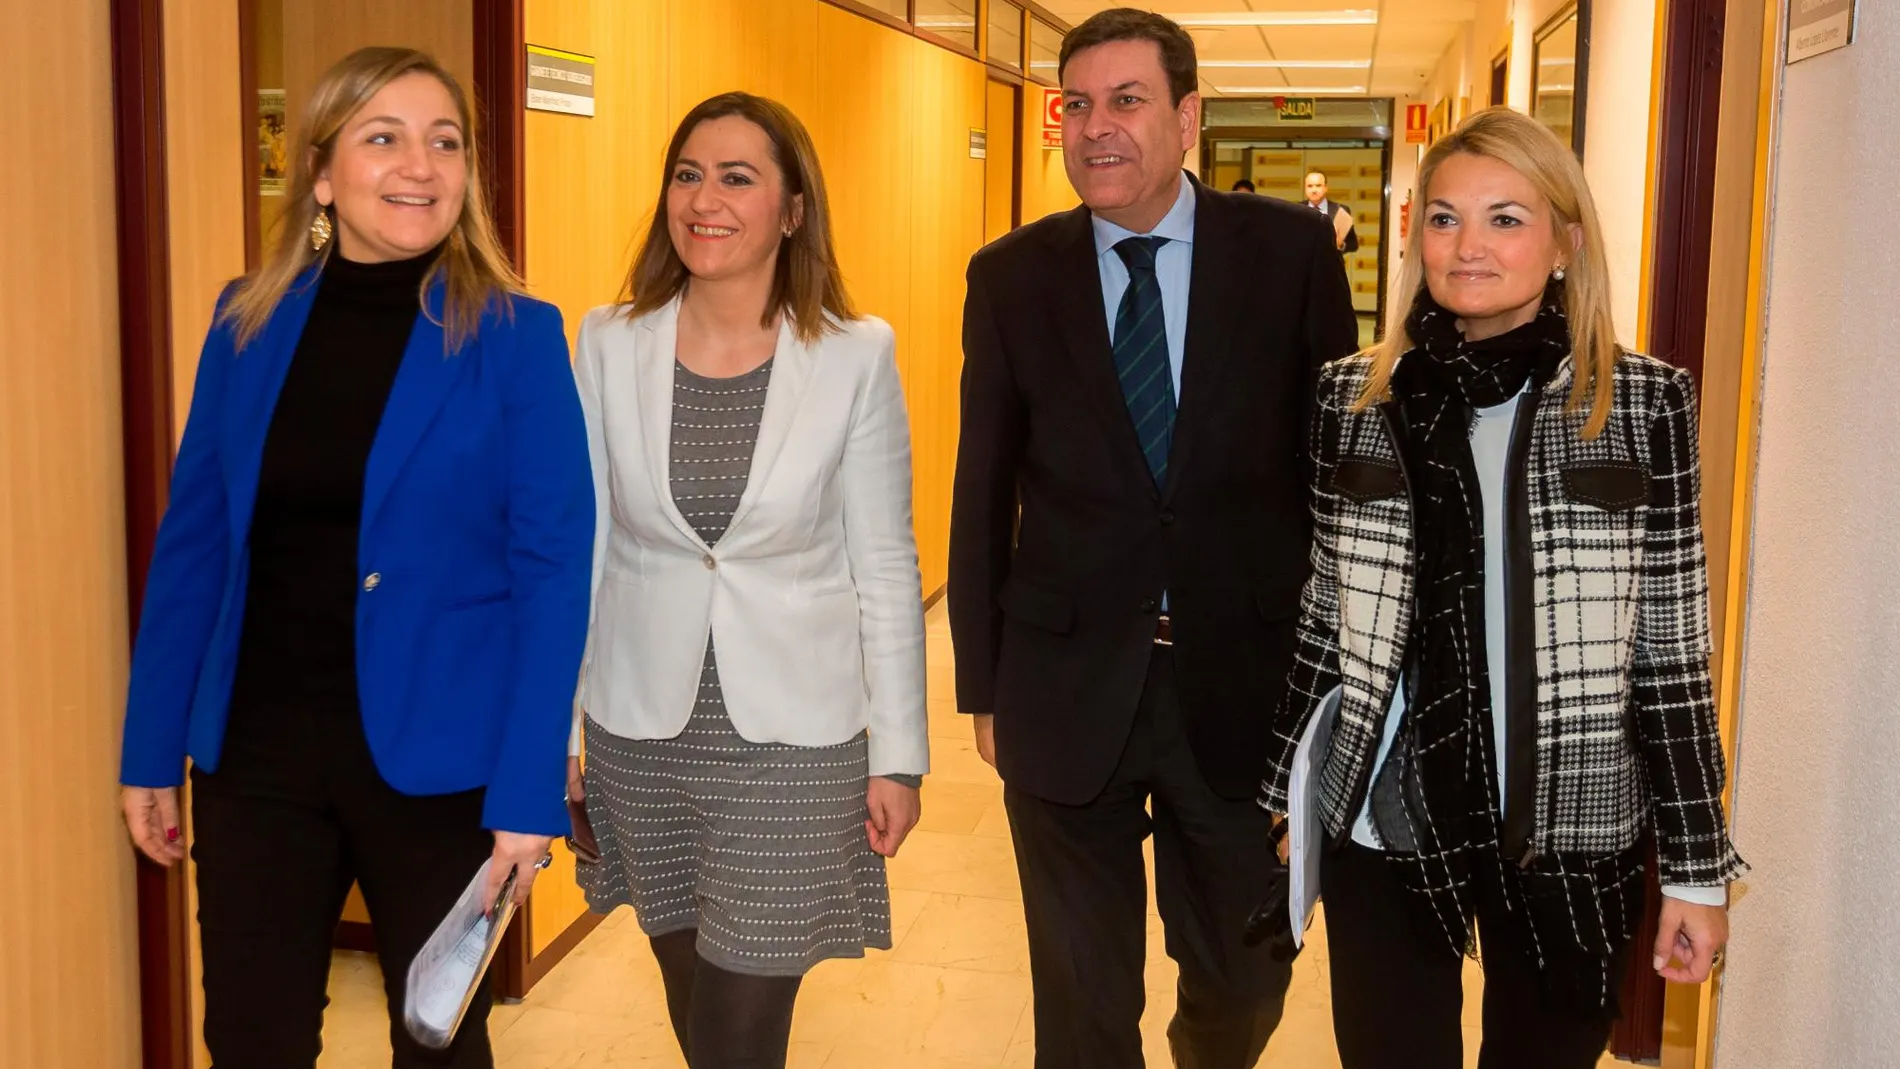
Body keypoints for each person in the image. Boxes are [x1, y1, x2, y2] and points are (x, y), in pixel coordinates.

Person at [116, 46, 594, 1068]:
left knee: (438, 1042)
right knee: (252, 1038)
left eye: (444, 141)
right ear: (323, 172)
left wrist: (525, 796)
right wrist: (151, 747)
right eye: (384, 138)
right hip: (257, 755)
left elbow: (554, 574)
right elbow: (194, 545)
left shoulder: (516, 336)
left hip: (441, 765)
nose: (419, 165)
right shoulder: (245, 321)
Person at [1258, 107, 1748, 1069]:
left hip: (1568, 827)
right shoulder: (1353, 397)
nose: (1467, 245)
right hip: (1386, 813)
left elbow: (1671, 655)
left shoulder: (1641, 403)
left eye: (1504, 218)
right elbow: (1324, 612)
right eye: (1443, 218)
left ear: (1565, 239)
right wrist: (1287, 789)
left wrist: (1696, 868)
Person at [948, 9, 1358, 1068]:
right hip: (1063, 677)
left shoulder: (1290, 255)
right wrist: (983, 687)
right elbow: (982, 487)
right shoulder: (1009, 277)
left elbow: (1340, 480)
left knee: (1242, 980)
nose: (1096, 128)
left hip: (1247, 681)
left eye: (1125, 101)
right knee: (1080, 1009)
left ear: (1185, 116)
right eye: (1075, 105)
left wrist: (1340, 681)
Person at [567, 91, 929, 1069]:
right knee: (694, 1012)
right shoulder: (607, 340)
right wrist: (562, 731)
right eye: (687, 174)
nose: (704, 197)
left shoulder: (854, 356)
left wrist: (898, 752)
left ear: (794, 208)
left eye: (737, 176)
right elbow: (585, 548)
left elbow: (885, 566)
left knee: (738, 1033)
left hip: (793, 746)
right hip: (642, 732)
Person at [1304, 170, 1358, 254]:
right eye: (1310, 186)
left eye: (1318, 185)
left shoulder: (1341, 210)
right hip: (1303, 265)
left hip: (1331, 265)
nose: (1314, 190)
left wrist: (1340, 245)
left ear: (1326, 188)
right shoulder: (1296, 209)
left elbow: (1353, 244)